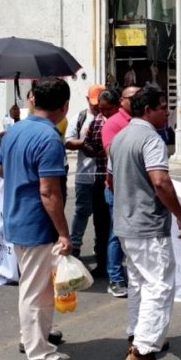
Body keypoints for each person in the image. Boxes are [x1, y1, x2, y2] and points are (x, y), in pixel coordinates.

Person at [0, 78, 78, 360]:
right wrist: (64, 233)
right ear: (65, 106)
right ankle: (39, 354)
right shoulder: (50, 138)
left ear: (32, 100)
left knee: (37, 287)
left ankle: (34, 336)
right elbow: (49, 191)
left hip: (17, 218)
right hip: (36, 225)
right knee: (35, 290)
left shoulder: (14, 131)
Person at [108, 84, 181, 360]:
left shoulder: (119, 137)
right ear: (147, 110)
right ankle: (143, 352)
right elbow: (160, 181)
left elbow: (111, 180)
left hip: (125, 223)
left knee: (140, 284)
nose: (166, 112)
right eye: (161, 108)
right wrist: (180, 215)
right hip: (147, 225)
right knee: (159, 286)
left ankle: (137, 336)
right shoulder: (151, 139)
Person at [101, 85, 141, 298]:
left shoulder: (139, 122)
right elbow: (114, 159)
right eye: (133, 97)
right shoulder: (113, 124)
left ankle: (129, 273)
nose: (137, 100)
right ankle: (115, 278)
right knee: (117, 234)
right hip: (118, 188)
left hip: (136, 189)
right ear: (122, 101)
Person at [65, 84, 109, 275]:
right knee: (82, 212)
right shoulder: (79, 118)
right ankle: (75, 247)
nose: (97, 107)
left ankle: (102, 251)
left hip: (105, 176)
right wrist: (84, 143)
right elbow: (68, 141)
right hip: (84, 175)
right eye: (93, 104)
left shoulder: (109, 117)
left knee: (103, 217)